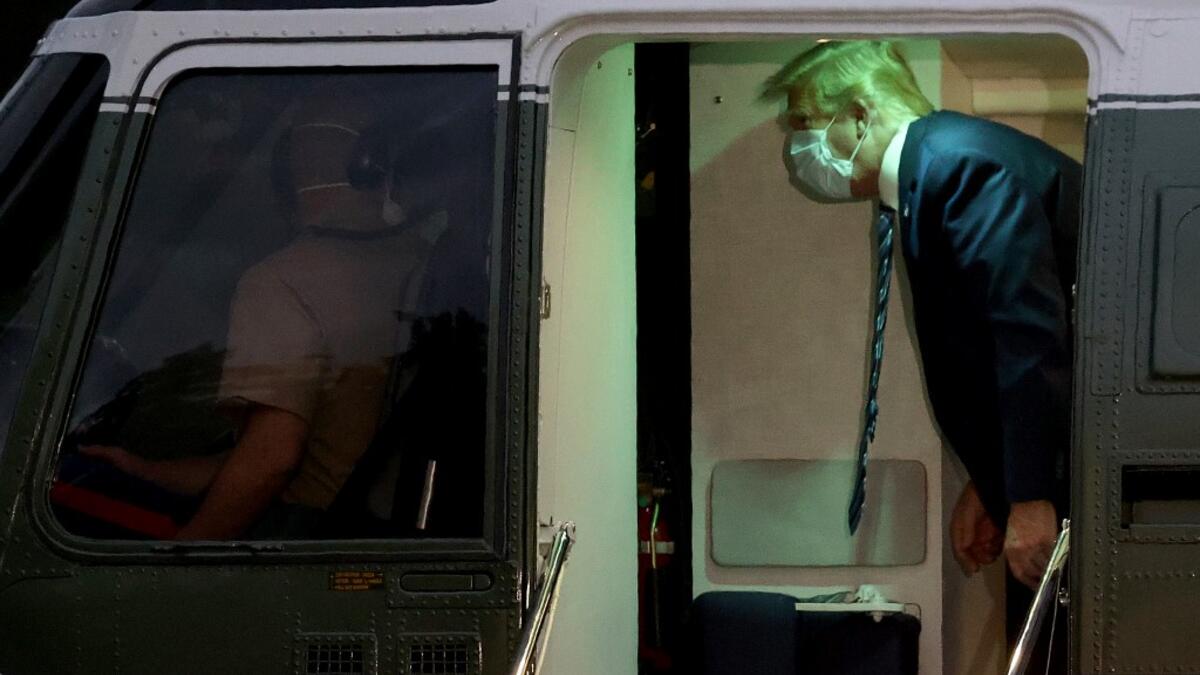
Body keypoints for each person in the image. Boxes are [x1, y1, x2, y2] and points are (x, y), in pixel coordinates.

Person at [762, 39, 1078, 663]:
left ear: (859, 114)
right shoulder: (934, 173)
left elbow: (1028, 336)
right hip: (1046, 476)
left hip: (1070, 481)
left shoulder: (961, 169)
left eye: (804, 124)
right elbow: (990, 348)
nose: (798, 150)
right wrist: (993, 482)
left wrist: (1031, 494)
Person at [79, 86, 451, 540]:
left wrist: (178, 560)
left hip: (312, 537)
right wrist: (146, 469)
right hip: (392, 534)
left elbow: (273, 459)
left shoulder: (279, 280)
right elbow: (264, 460)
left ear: (286, 189)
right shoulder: (426, 261)